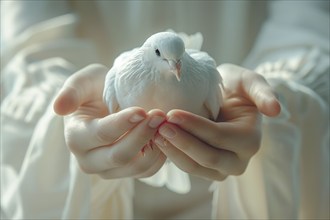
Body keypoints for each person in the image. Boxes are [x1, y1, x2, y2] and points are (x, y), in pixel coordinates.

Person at [1, 1, 329, 219]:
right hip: (96, 198)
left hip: (219, 202)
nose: (175, 68)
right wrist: (63, 114)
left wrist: (276, 93)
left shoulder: (202, 71)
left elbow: (310, 23)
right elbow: (31, 40)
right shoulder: (120, 72)